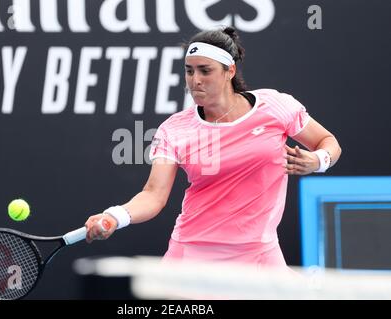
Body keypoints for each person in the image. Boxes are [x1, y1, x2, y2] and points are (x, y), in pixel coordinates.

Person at [84, 27, 341, 269]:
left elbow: (328, 142)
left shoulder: (276, 106)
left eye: (205, 70)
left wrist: (318, 160)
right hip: (193, 255)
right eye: (189, 71)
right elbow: (153, 194)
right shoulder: (174, 129)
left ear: (229, 71)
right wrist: (115, 216)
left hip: (260, 255)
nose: (194, 80)